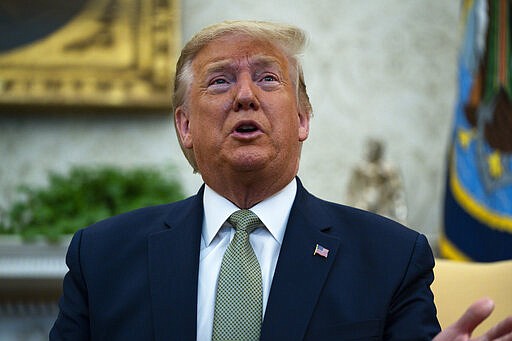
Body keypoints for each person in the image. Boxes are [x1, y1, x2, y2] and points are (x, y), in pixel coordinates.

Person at [50, 20, 512, 340]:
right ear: (185, 126)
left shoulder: (390, 257)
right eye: (220, 82)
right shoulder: (103, 257)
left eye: (268, 79)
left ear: (302, 119)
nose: (246, 96)